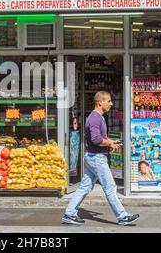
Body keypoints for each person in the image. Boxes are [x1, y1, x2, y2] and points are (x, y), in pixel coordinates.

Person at [62, 91, 140, 226]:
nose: (111, 104)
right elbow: (96, 139)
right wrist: (109, 143)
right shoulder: (95, 118)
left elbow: (99, 138)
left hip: (93, 156)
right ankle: (122, 216)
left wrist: (111, 142)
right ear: (100, 102)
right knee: (110, 187)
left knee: (84, 187)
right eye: (108, 101)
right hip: (96, 158)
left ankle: (69, 214)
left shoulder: (99, 117)